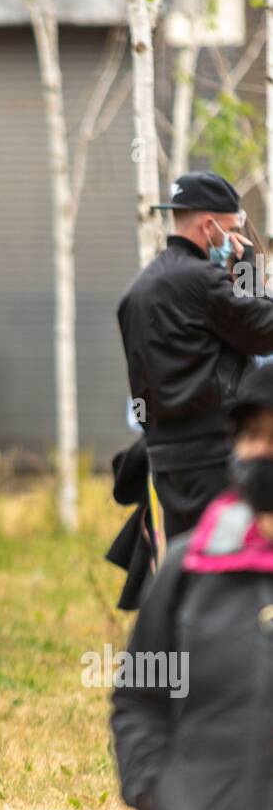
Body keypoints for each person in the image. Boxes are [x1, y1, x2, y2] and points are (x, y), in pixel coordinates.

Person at [112, 363, 273, 810]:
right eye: (251, 438)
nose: (260, 455)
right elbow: (138, 697)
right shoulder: (190, 566)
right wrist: (160, 793)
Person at [117, 171, 273, 542]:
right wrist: (249, 270)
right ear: (209, 226)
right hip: (212, 455)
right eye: (233, 229)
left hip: (164, 456)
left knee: (186, 560)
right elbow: (265, 331)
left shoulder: (138, 289)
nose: (237, 239)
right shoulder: (203, 282)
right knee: (225, 567)